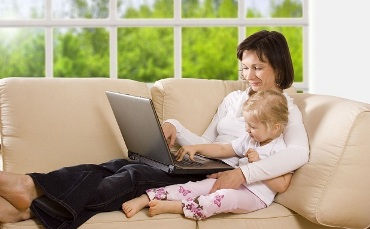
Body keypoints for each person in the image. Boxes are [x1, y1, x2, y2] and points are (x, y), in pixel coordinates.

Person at [0, 30, 309, 229]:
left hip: (217, 176)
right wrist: (175, 126)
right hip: (208, 163)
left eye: (258, 67)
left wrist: (242, 174)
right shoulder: (234, 99)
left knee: (133, 177)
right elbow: (208, 142)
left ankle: (30, 194)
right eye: (244, 67)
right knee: (118, 165)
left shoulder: (285, 108)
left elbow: (298, 153)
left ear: (278, 68)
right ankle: (29, 199)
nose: (249, 75)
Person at [122, 89, 292, 219]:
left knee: (221, 198)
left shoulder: (282, 150)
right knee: (195, 186)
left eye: (253, 127)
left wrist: (258, 165)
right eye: (247, 125)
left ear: (275, 127)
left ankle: (177, 207)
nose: (248, 130)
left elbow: (282, 185)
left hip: (254, 196)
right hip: (231, 181)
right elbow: (223, 149)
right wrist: (197, 148)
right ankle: (147, 197)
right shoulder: (249, 139)